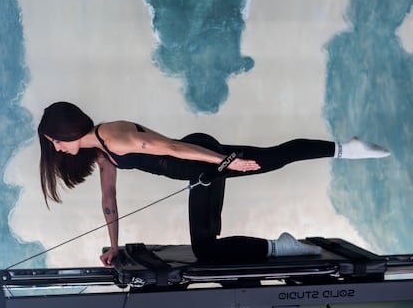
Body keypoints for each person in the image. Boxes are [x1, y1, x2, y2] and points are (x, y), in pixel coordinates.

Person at [38, 102, 390, 267]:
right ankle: (348, 148)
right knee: (271, 158)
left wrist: (224, 162)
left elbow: (172, 148)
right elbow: (109, 198)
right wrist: (114, 246)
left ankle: (283, 246)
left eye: (55, 141)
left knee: (207, 246)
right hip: (200, 165)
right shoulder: (102, 152)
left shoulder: (114, 137)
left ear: (67, 129)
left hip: (199, 160)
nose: (56, 148)